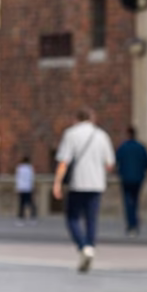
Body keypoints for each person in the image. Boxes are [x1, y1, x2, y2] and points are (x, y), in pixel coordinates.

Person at [52, 108, 115, 273]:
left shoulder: (70, 134)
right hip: (96, 183)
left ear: (76, 119)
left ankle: (82, 246)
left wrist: (57, 183)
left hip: (77, 183)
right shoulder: (102, 135)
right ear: (92, 119)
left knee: (72, 218)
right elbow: (109, 164)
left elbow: (63, 162)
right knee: (91, 218)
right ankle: (90, 246)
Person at [115, 126, 147, 237]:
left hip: (126, 178)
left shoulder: (123, 147)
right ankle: (135, 223)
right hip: (138, 178)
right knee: (135, 201)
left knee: (127, 202)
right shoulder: (141, 147)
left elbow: (117, 161)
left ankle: (131, 224)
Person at [15, 155, 37, 225]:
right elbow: (32, 178)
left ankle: (21, 218)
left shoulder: (19, 168)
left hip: (21, 188)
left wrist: (17, 188)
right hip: (28, 188)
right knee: (30, 203)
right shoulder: (30, 168)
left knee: (21, 204)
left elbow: (17, 178)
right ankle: (32, 217)